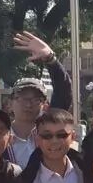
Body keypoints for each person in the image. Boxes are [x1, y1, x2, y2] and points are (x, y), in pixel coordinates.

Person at [5, 31, 75, 167]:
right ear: (9, 104)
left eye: (36, 99)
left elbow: (63, 90)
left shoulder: (51, 132)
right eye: (22, 98)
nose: (28, 104)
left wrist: (50, 59)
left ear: (45, 105)